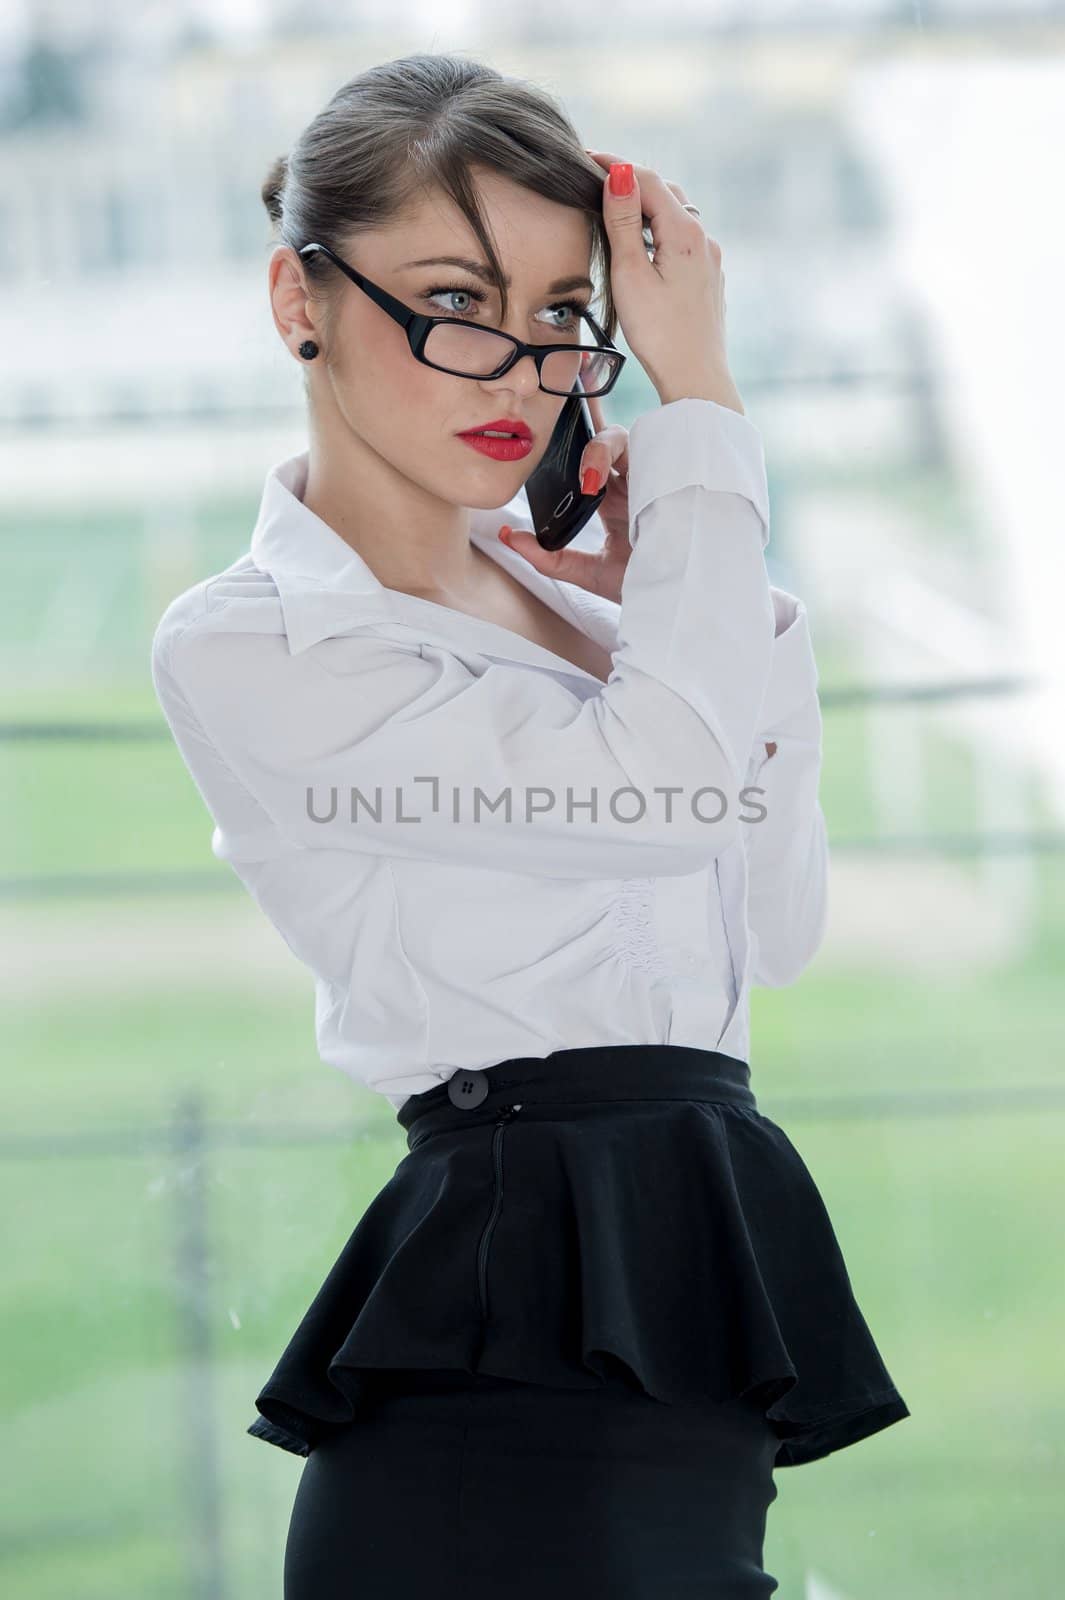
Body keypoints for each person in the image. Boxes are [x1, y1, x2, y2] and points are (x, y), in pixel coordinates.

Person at [150, 51, 909, 1600]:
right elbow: (670, 794)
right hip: (500, 1365)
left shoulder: (604, 619)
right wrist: (701, 414)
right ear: (300, 300)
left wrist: (709, 612)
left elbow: (776, 927)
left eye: (565, 318)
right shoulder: (256, 645)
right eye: (453, 299)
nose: (515, 370)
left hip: (678, 1303)